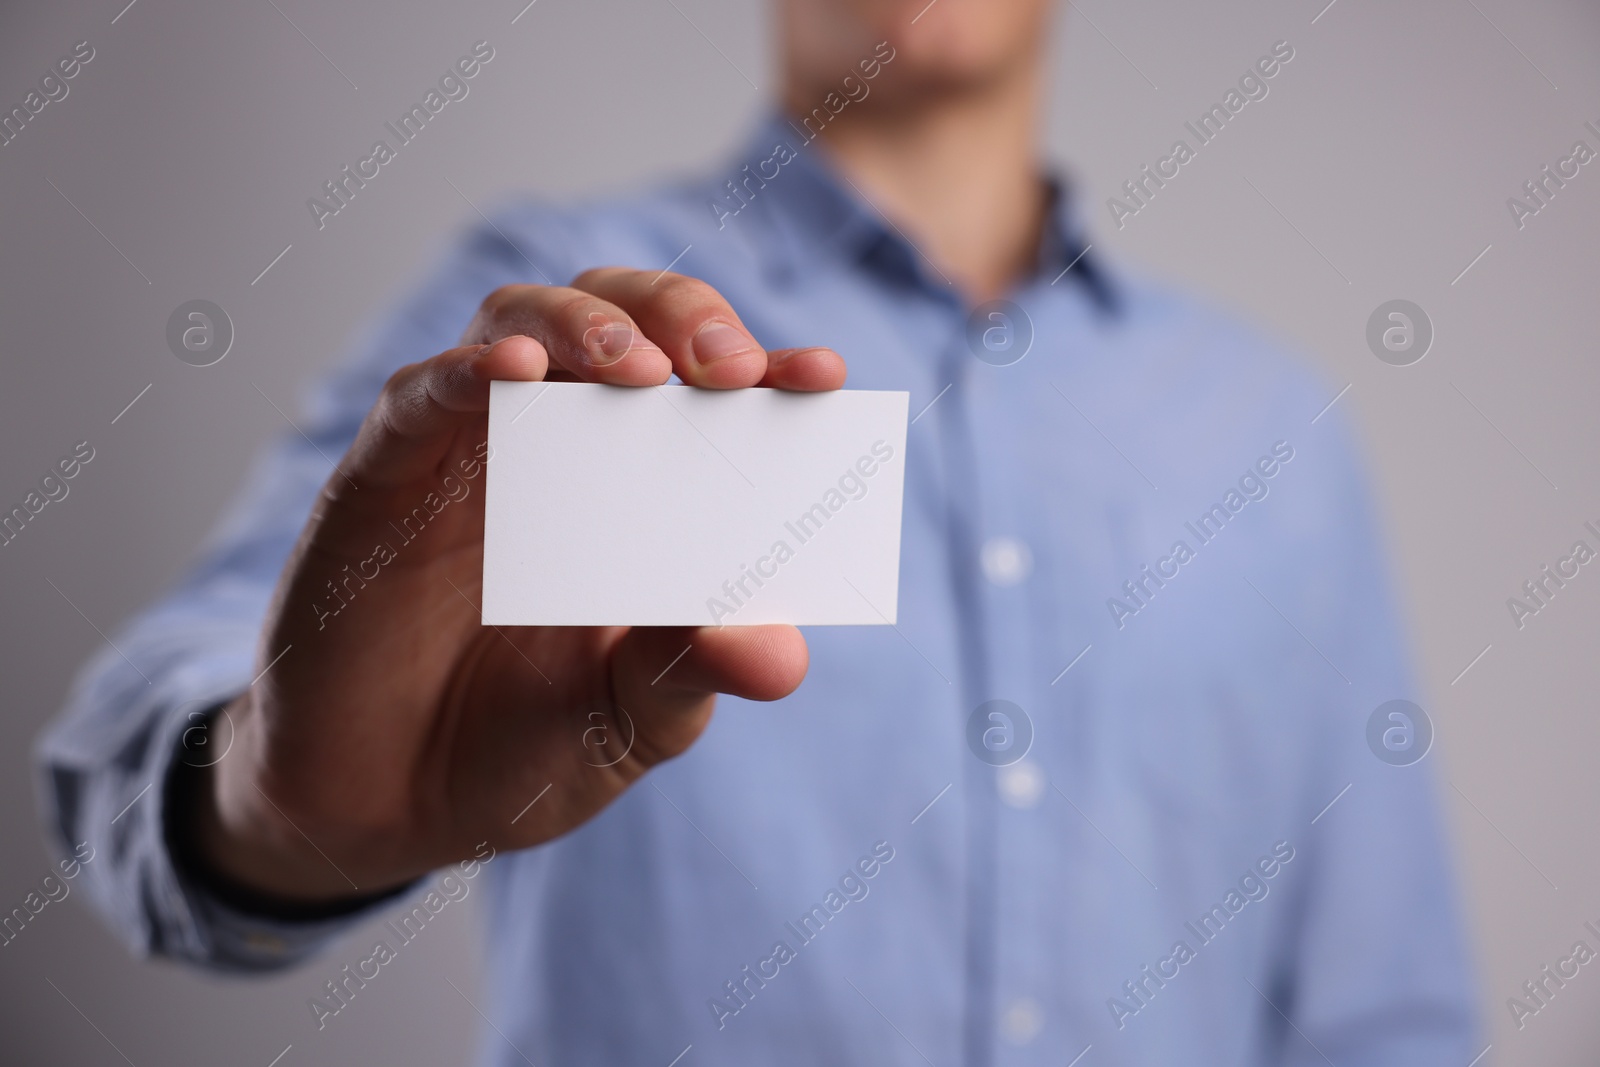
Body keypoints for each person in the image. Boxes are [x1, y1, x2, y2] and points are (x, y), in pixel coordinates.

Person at [39, 0, 1479, 1062]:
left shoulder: (1273, 433)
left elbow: (1381, 1013)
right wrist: (286, 815)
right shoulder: (549, 318)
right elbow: (135, 744)